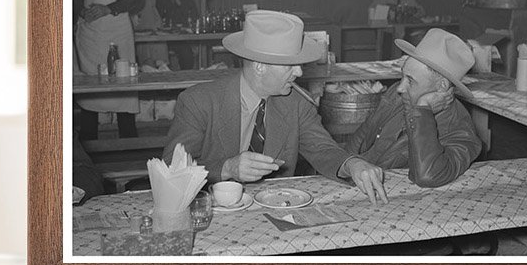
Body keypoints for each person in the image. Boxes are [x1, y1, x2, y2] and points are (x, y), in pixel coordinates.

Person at [163, 10, 387, 204]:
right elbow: (171, 171)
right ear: (260, 67)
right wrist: (227, 168)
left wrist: (352, 164)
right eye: (291, 65)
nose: (299, 73)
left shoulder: (296, 103)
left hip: (277, 204)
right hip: (214, 209)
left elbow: (322, 149)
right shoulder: (198, 102)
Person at [344, 28, 483, 188]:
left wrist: (423, 110)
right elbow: (363, 132)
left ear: (442, 86)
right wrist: (347, 165)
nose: (400, 87)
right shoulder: (398, 95)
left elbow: (427, 176)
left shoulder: (461, 132)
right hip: (356, 180)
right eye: (402, 76)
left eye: (410, 80)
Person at [73, 0, 144, 140]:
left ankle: (129, 142)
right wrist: (80, 11)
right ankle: (89, 146)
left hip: (117, 29)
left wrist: (108, 8)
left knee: (123, 85)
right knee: (90, 89)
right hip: (91, 34)